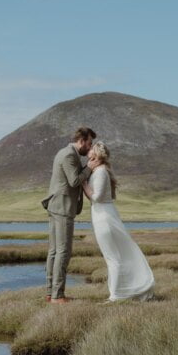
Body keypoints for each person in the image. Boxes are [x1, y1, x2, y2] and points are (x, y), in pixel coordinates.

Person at [83, 141, 155, 302]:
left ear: (96, 156)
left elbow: (97, 197)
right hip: (103, 216)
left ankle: (115, 296)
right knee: (113, 257)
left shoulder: (101, 172)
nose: (88, 154)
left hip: (104, 218)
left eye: (90, 152)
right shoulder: (100, 171)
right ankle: (119, 292)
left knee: (112, 258)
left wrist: (83, 184)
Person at [43, 127, 98, 304]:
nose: (90, 148)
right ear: (81, 140)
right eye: (89, 144)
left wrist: (85, 167)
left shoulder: (66, 153)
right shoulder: (68, 155)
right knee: (63, 252)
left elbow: (72, 176)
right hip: (62, 208)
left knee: (53, 251)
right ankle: (58, 295)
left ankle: (50, 293)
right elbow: (74, 180)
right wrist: (89, 168)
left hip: (57, 206)